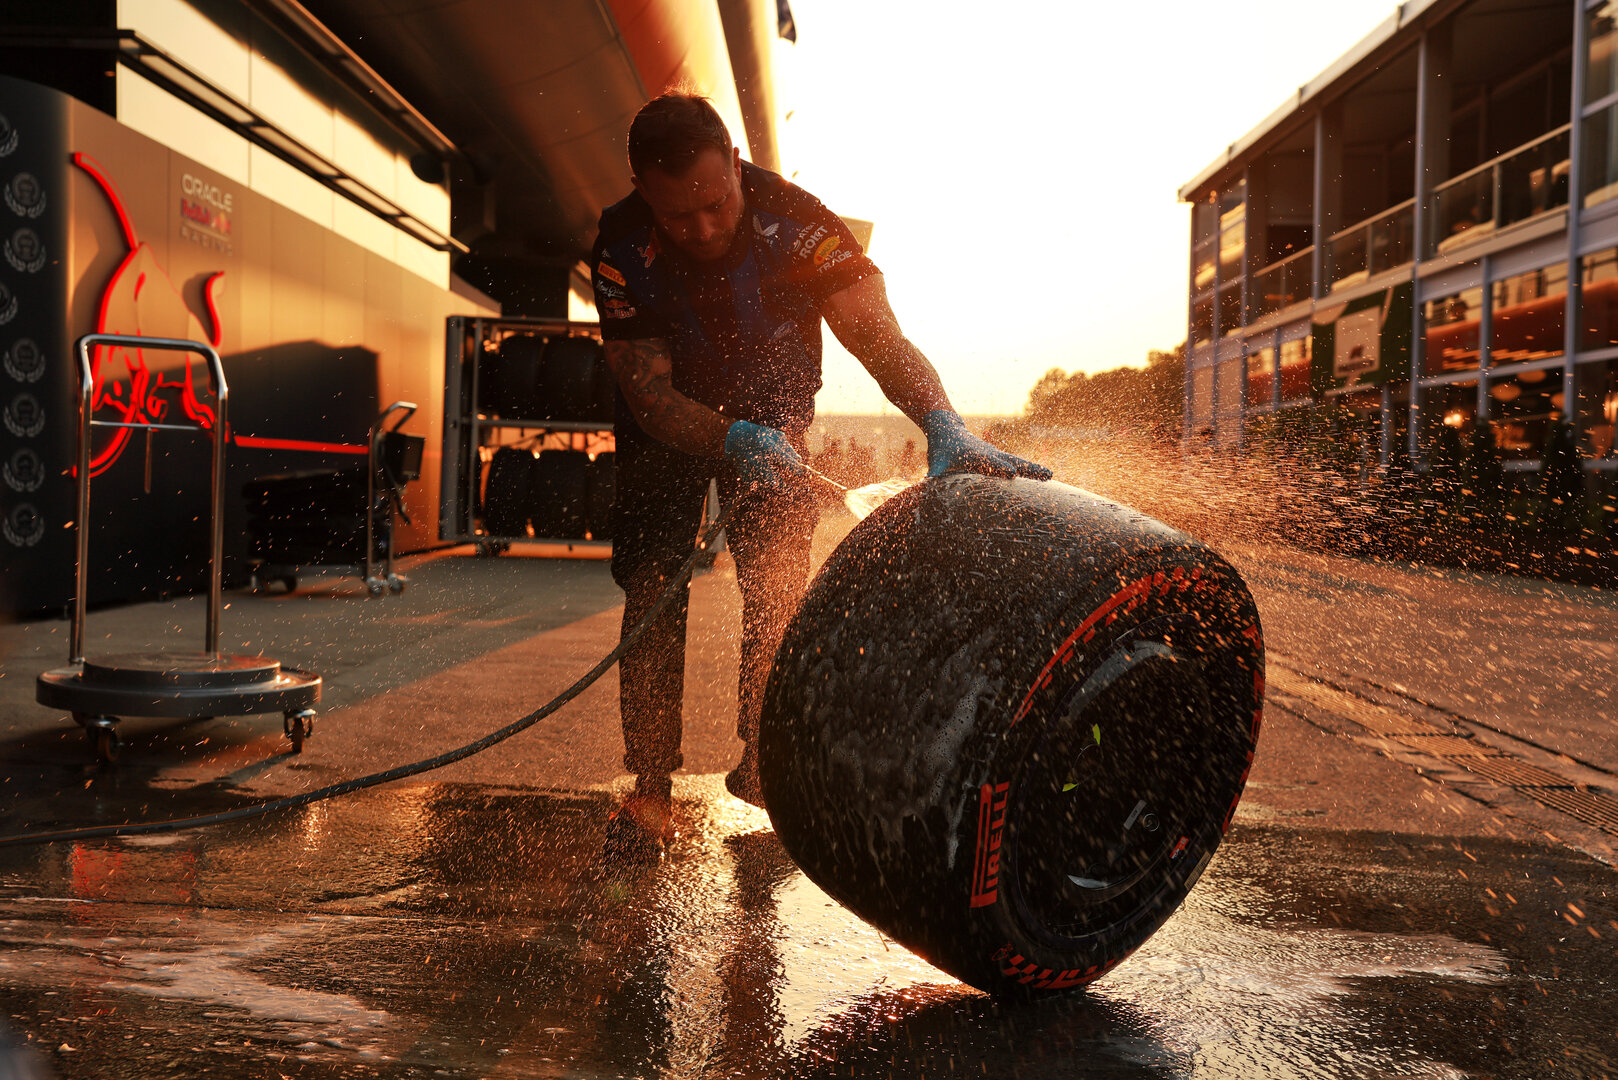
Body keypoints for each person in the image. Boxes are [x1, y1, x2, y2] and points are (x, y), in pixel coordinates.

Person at [592, 92, 1050, 859]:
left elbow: (877, 337)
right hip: (669, 422)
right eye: (680, 218)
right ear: (645, 194)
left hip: (774, 402)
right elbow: (649, 394)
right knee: (650, 585)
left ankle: (765, 768)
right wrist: (724, 436)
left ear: (736, 167)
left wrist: (941, 421)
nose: (702, 229)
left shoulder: (803, 226)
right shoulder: (619, 246)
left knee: (775, 584)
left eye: (715, 205)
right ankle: (649, 783)